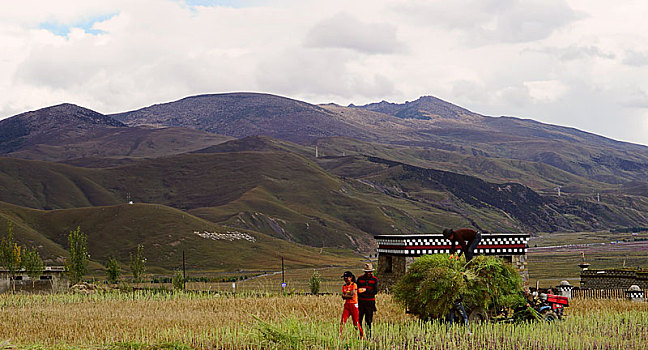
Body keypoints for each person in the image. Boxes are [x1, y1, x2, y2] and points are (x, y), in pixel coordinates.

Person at [356, 263, 378, 336]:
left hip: (370, 303)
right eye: (367, 272)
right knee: (359, 320)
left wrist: (366, 290)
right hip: (361, 302)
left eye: (370, 272)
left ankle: (369, 335)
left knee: (368, 321)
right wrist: (360, 291)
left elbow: (375, 291)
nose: (369, 273)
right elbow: (356, 290)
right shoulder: (360, 279)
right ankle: (360, 335)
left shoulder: (375, 280)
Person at [340, 271, 363, 338]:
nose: (345, 279)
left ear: (351, 277)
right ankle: (341, 336)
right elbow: (343, 296)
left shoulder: (354, 285)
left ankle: (361, 336)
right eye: (344, 278)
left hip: (353, 305)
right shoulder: (344, 286)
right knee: (342, 322)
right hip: (347, 305)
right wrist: (348, 295)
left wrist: (346, 295)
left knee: (356, 323)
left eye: (347, 278)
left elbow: (351, 295)